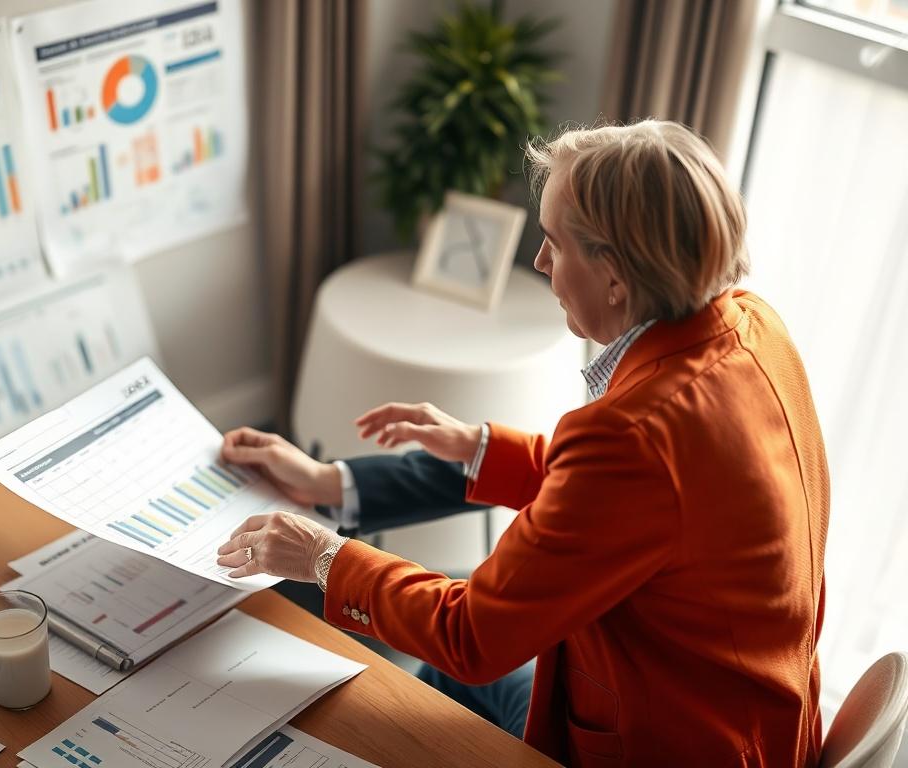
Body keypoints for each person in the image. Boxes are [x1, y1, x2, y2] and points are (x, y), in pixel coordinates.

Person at [215, 120, 829, 767]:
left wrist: (323, 557)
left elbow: (470, 635)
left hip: (670, 745)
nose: (540, 263)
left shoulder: (632, 438)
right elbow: (632, 503)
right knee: (424, 694)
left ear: (615, 277)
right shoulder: (751, 325)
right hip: (758, 722)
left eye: (554, 243)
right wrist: (472, 446)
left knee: (413, 688)